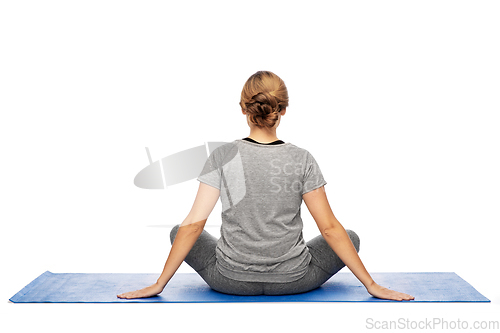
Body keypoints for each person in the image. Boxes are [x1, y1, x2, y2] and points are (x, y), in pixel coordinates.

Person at [117, 71, 414, 300]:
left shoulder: (223, 155)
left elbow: (194, 225)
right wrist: (371, 285)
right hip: (293, 281)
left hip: (229, 281)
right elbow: (329, 229)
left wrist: (159, 284)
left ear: (244, 109)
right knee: (349, 237)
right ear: (282, 110)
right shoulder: (302, 158)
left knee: (177, 232)